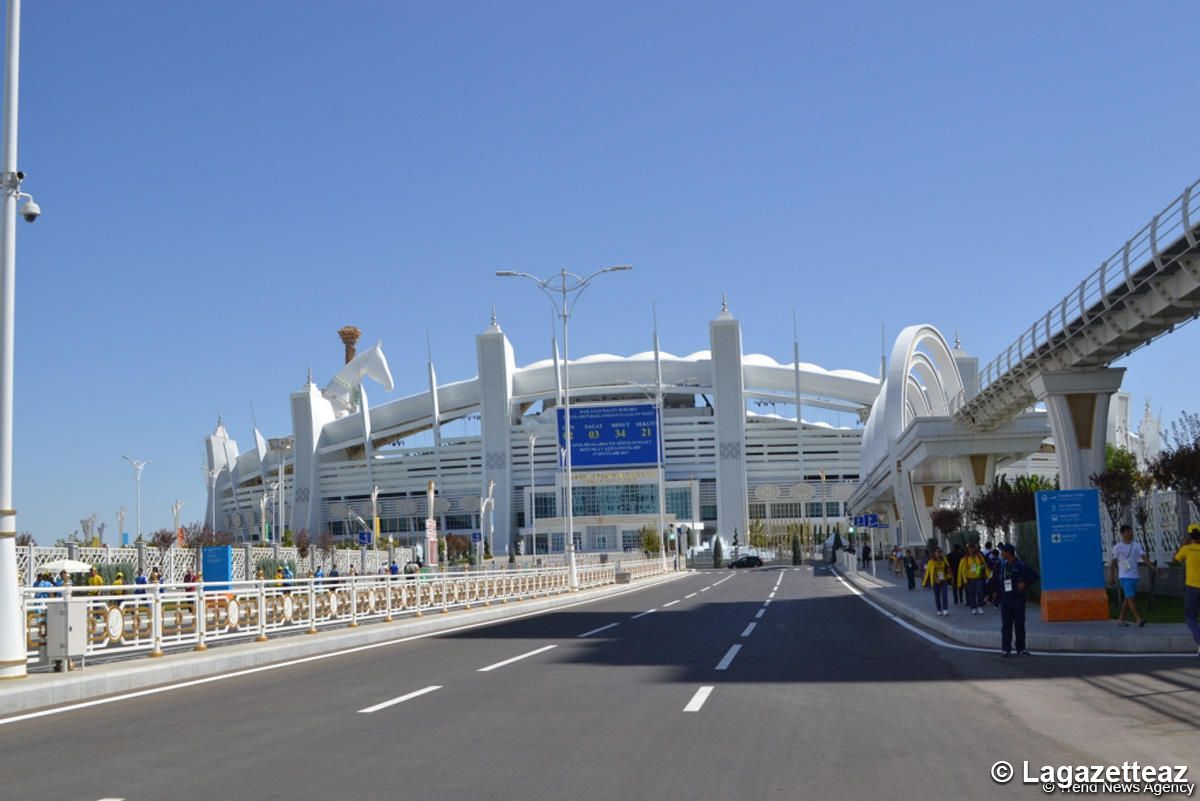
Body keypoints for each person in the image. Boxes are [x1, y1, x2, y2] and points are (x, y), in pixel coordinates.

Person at [997, 543, 1039, 657]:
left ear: (1008, 553)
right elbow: (998, 580)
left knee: (1019, 625)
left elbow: (1035, 576)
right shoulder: (1003, 565)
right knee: (1006, 625)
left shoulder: (1021, 565)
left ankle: (1021, 648)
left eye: (1003, 552)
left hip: (1018, 599)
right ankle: (1006, 649)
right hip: (1005, 599)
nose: (1001, 554)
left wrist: (1024, 583)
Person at [1111, 524, 1149, 627]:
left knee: (1128, 598)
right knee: (1131, 598)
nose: (1130, 534)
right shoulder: (1118, 547)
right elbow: (1113, 562)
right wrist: (1112, 577)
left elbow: (1144, 557)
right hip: (1124, 576)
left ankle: (1121, 619)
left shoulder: (1136, 545)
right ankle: (1138, 619)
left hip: (1134, 576)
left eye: (1131, 531)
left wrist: (1153, 567)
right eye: (1128, 532)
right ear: (1122, 534)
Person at [1173, 523, 1200, 655]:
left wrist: (1184, 544)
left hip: (1192, 587)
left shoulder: (1187, 549)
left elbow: (1175, 559)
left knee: (1190, 617)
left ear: (1190, 536)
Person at [957, 543, 990, 614]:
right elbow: (964, 570)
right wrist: (965, 580)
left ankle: (979, 606)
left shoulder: (979, 556)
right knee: (971, 593)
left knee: (980, 592)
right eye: (970, 549)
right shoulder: (965, 558)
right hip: (970, 578)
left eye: (972, 548)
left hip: (978, 577)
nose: (971, 550)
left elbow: (983, 565)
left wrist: (987, 574)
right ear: (968, 550)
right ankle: (973, 607)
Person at [922, 547, 953, 616]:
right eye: (937, 552)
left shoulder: (944, 560)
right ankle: (939, 610)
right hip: (936, 581)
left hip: (943, 580)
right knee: (937, 596)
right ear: (934, 553)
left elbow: (948, 568)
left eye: (940, 552)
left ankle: (945, 609)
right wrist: (926, 581)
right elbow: (928, 572)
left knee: (944, 594)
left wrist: (949, 576)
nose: (939, 553)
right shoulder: (931, 561)